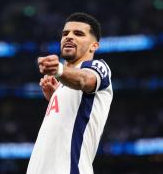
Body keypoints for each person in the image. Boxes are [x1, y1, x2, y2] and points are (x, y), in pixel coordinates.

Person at [26, 12, 113, 174]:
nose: (69, 37)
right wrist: (55, 96)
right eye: (65, 33)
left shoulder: (99, 67)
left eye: (78, 33)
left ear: (94, 45)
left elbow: (84, 80)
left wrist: (58, 69)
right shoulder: (62, 85)